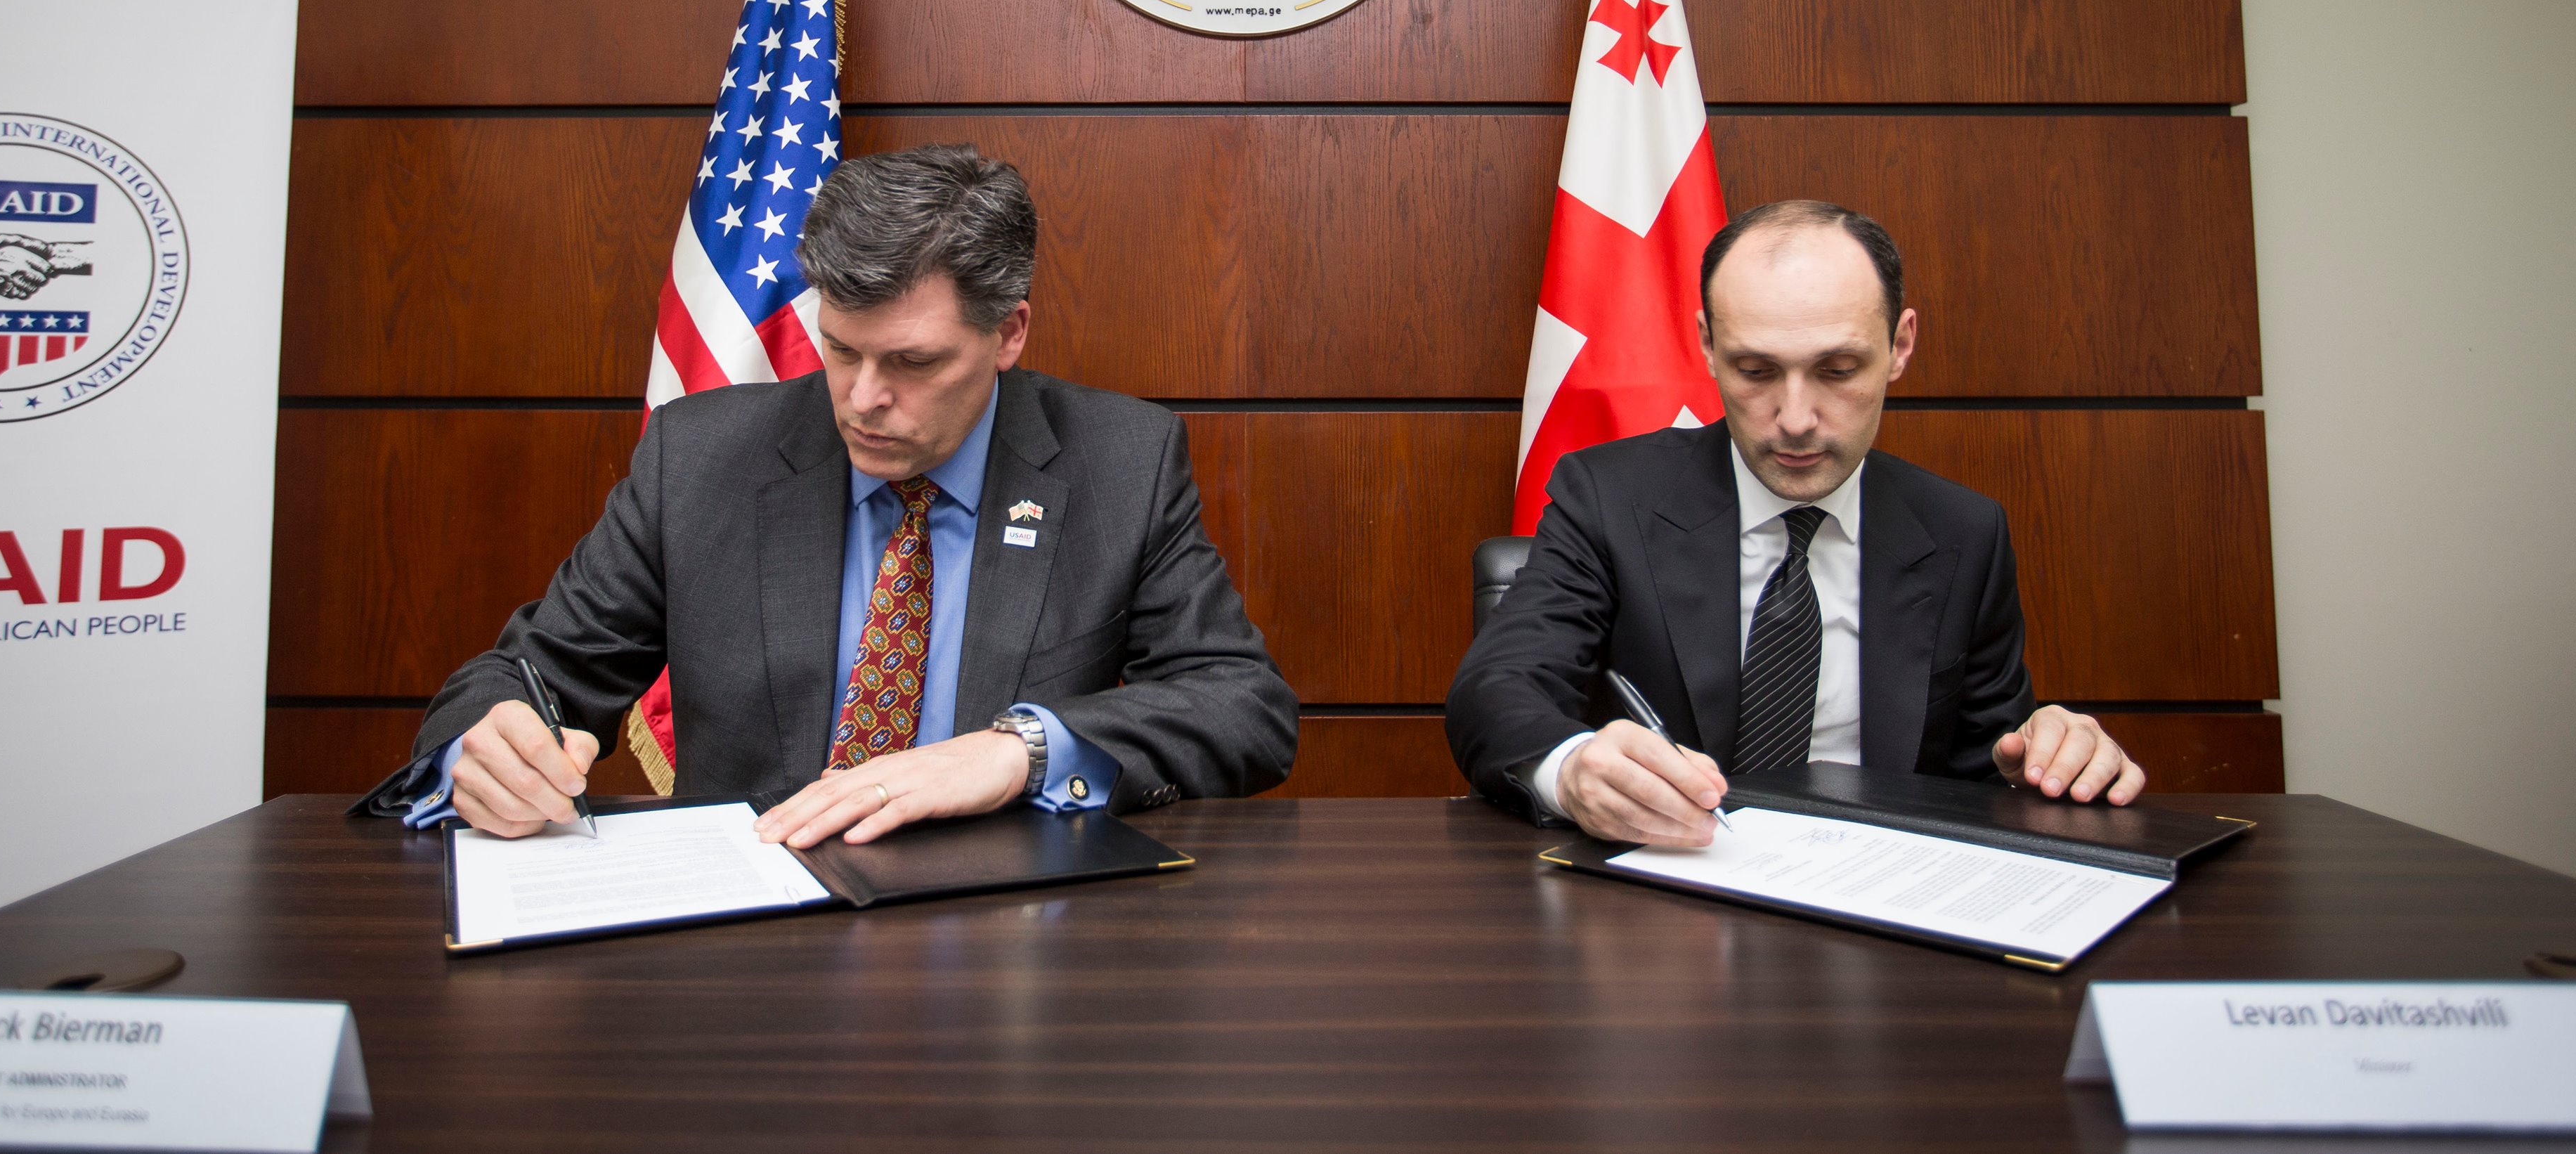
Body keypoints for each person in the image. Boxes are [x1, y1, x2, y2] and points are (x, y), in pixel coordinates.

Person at [356, 145, 1299, 846]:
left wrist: (1023, 749)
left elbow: (1242, 706)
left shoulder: (1119, 463)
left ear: (1009, 332)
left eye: (913, 362)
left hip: (1006, 949)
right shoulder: (703, 458)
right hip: (749, 942)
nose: (862, 398)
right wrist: (484, 749)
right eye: (841, 349)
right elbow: (528, 675)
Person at [1444, 199, 2144, 848]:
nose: (1796, 419)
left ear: (1901, 345)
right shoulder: (1608, 497)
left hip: (1880, 896)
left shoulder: (1964, 531)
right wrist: (1571, 770)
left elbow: (1989, 766)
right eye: (1755, 370)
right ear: (1708, 344)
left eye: (1838, 370)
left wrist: (2049, 760)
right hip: (1670, 893)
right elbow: (1497, 690)